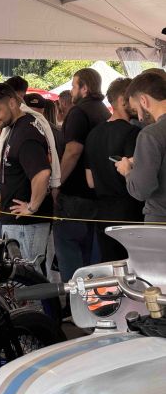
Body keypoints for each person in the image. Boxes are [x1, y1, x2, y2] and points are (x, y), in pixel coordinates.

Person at [0, 83, 52, 264]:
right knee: (19, 275)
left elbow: (42, 173)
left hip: (26, 224)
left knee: (26, 275)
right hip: (18, 222)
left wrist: (32, 207)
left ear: (12, 103)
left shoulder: (26, 132)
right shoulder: (14, 128)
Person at [54, 68, 111, 282]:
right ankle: (91, 296)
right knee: (92, 256)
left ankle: (74, 298)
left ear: (84, 88)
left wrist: (57, 183)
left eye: (73, 86)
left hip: (75, 195)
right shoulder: (104, 111)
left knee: (70, 252)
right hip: (97, 193)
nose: (71, 90)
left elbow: (73, 150)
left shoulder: (78, 112)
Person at [85, 78, 142, 261]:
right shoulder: (133, 133)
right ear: (122, 100)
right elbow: (139, 177)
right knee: (134, 268)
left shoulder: (93, 134)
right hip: (130, 212)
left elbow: (90, 182)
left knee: (111, 268)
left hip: (103, 214)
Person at [115, 72, 166, 223]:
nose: (140, 117)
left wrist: (127, 171)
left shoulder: (151, 134)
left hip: (160, 221)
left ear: (144, 100)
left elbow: (141, 190)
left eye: (136, 109)